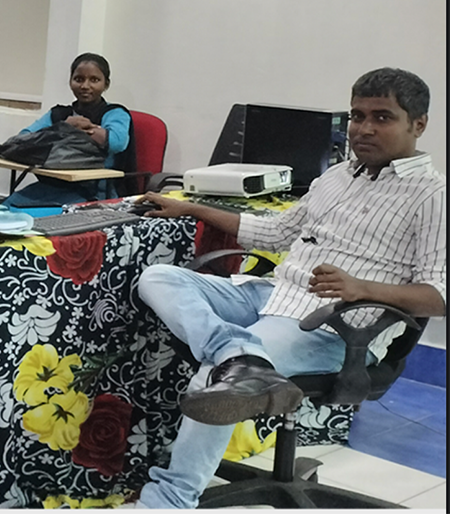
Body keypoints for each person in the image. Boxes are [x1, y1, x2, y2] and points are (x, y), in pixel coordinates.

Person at [132, 67, 445, 509]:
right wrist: (191, 207)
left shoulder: (432, 196)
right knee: (158, 277)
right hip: (271, 296)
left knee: (218, 378)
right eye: (357, 116)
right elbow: (275, 233)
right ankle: (241, 357)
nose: (363, 129)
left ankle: (169, 500)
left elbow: (439, 296)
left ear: (419, 124)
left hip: (332, 326)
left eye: (382, 117)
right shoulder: (337, 176)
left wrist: (360, 287)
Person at [1, 53, 131, 210]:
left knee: (35, 217)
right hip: (53, 185)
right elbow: (23, 137)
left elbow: (117, 142)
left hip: (94, 192)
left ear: (106, 84)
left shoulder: (114, 113)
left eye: (94, 80)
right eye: (79, 79)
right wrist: (65, 126)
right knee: (6, 208)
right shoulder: (59, 114)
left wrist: (82, 128)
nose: (85, 86)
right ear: (70, 81)